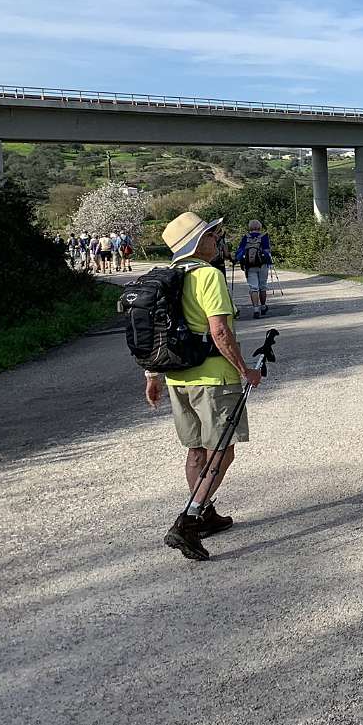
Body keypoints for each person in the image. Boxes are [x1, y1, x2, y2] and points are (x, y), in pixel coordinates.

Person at [142, 211, 263, 561]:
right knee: (222, 450)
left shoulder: (167, 279)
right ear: (197, 243)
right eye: (211, 235)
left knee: (196, 450)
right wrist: (244, 369)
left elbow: (155, 332)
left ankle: (205, 512)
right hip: (213, 379)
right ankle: (188, 521)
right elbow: (220, 331)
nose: (216, 239)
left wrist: (152, 376)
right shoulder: (208, 275)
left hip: (177, 377)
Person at [234, 220, 273, 318]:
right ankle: (263, 306)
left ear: (250, 227)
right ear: (260, 227)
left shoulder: (246, 237)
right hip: (262, 265)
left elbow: (240, 251)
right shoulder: (264, 236)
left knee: (253, 288)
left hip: (249, 266)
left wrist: (236, 259)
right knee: (262, 287)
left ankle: (256, 309)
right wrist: (269, 261)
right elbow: (267, 251)